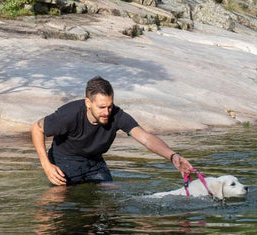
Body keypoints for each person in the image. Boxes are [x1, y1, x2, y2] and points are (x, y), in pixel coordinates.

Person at [31, 76, 193, 186]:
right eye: (102, 107)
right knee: (58, 204)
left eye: (110, 106)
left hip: (94, 162)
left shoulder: (116, 115)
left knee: (111, 197)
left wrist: (173, 156)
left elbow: (146, 138)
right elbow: (37, 129)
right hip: (64, 161)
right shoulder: (69, 114)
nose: (107, 112)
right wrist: (47, 165)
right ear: (88, 103)